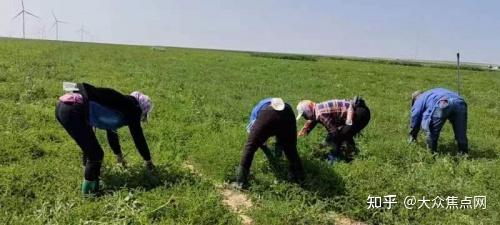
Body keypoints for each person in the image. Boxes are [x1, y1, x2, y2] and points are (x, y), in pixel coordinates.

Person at [55, 82, 154, 195]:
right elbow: (138, 137)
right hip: (74, 110)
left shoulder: (117, 104)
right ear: (142, 108)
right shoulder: (133, 108)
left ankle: (93, 182)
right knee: (96, 155)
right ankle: (88, 194)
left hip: (63, 107)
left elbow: (111, 131)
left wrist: (119, 156)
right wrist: (148, 161)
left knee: (91, 149)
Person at [232, 98, 304, 189]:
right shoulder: (286, 107)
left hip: (268, 114)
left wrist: (260, 143)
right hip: (288, 115)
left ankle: (240, 182)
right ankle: (299, 178)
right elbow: (283, 135)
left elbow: (252, 133)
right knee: (290, 148)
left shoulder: (258, 110)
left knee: (250, 146)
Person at [296, 96, 370, 162]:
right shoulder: (316, 109)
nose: (304, 117)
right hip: (358, 110)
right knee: (344, 134)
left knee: (340, 135)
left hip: (360, 114)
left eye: (304, 115)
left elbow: (334, 132)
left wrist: (329, 146)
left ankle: (337, 158)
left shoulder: (320, 114)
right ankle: (351, 155)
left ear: (308, 111)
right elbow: (309, 124)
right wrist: (300, 137)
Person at [409, 88, 468, 154]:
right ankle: (464, 155)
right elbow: (452, 103)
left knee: (432, 132)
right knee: (461, 132)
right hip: (460, 102)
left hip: (443, 103)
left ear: (415, 99)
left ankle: (432, 155)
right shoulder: (433, 92)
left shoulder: (419, 99)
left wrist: (413, 134)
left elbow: (415, 115)